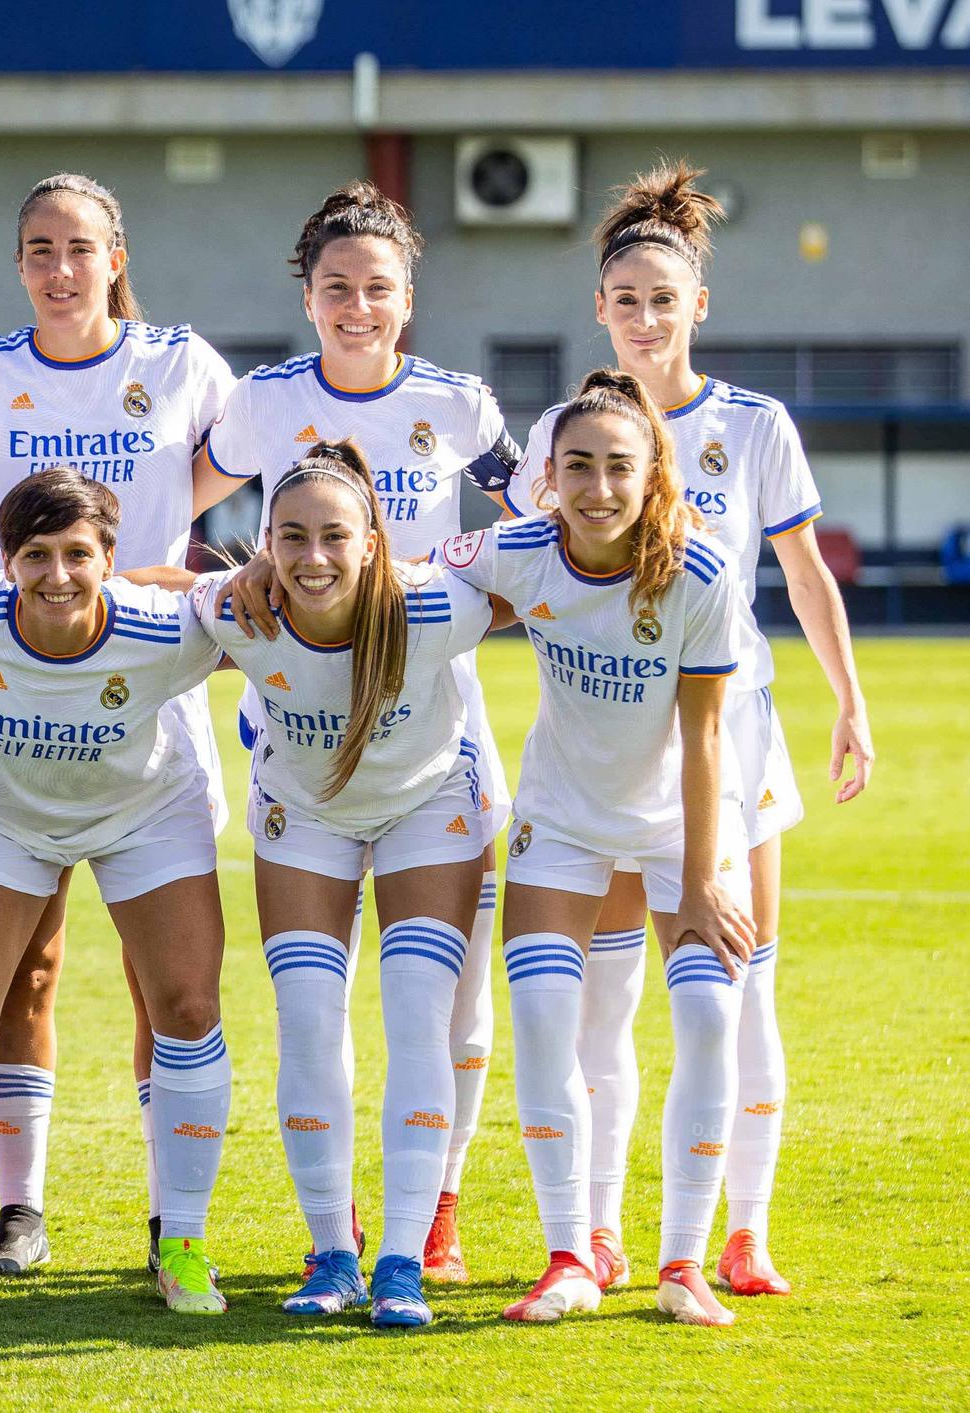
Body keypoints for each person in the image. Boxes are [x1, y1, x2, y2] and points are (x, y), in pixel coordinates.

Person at [501, 161, 873, 1298]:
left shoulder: (752, 427)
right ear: (598, 311)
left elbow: (802, 574)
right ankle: (596, 1231)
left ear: (694, 307)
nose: (645, 318)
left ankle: (739, 1227)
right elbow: (518, 570)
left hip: (726, 734)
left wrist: (847, 696)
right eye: (625, 301)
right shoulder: (566, 439)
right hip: (599, 746)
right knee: (600, 997)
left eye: (664, 300)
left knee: (737, 983)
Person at [204, 181, 522, 1281]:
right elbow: (179, 508)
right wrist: (239, 564)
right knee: (315, 1008)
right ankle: (330, 1235)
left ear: (405, 296)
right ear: (307, 295)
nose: (356, 307)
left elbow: (530, 524)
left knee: (448, 1002)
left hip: (433, 722)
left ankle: (428, 1210)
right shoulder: (259, 404)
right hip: (296, 724)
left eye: (376, 288)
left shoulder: (459, 404)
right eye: (335, 288)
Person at [0, 172, 237, 1275]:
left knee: (173, 984)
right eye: (38, 250)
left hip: (150, 698)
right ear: (18, 264)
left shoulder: (183, 365)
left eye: (78, 248)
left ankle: (172, 1219)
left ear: (116, 255)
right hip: (22, 697)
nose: (59, 270)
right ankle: (19, 1210)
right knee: (25, 972)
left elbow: (233, 470)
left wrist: (157, 574)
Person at [446, 369, 756, 1327]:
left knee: (706, 1019)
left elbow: (704, 735)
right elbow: (424, 574)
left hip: (683, 824)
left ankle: (682, 1262)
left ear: (653, 471)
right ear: (548, 474)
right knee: (545, 1023)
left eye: (619, 466)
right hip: (561, 820)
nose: (597, 487)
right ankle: (571, 1253)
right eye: (576, 466)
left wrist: (701, 880)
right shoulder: (519, 549)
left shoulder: (698, 572)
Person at [0, 468, 230, 1316]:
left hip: (144, 811)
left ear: (109, 557)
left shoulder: (165, 626)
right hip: (3, 817)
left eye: (78, 554)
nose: (57, 575)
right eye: (35, 554)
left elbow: (254, 608)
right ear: (3, 562)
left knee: (187, 1005)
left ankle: (183, 1241)